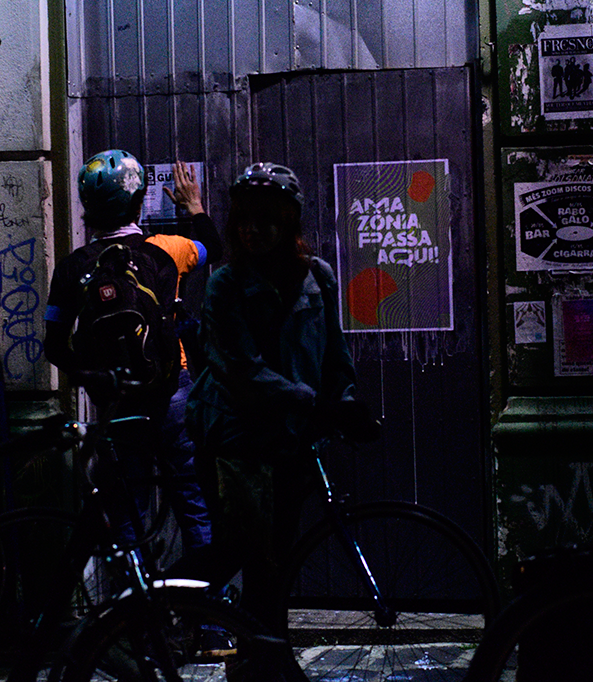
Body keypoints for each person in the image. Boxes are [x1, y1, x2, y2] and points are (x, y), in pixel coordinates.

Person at [188, 161, 370, 635]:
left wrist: (347, 400)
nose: (251, 230)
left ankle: (266, 655)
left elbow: (335, 351)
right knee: (243, 551)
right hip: (236, 439)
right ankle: (147, 612)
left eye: (265, 219)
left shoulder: (318, 277)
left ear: (288, 222)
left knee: (278, 561)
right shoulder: (225, 284)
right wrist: (315, 403)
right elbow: (241, 370)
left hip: (293, 440)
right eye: (243, 219)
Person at [44, 150, 223, 577]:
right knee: (194, 504)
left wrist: (96, 380)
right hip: (172, 393)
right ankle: (208, 611)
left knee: (127, 511)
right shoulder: (167, 251)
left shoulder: (72, 269)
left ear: (88, 207)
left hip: (117, 405)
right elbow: (213, 248)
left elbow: (54, 346)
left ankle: (137, 613)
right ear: (139, 200)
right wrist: (194, 207)